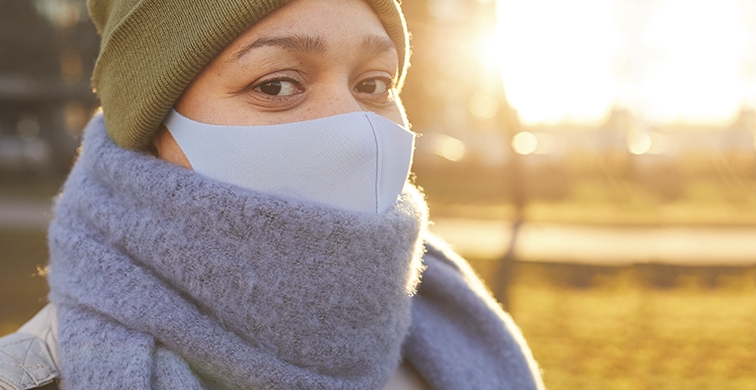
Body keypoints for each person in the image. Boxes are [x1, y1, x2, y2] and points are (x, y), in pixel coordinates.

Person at [0, 0, 545, 389]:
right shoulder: (37, 376)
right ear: (153, 130)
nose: (355, 129)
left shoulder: (455, 328)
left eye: (374, 84)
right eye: (276, 84)